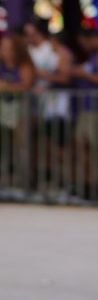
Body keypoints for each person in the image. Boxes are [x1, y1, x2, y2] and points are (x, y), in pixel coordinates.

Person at [22, 19, 74, 187]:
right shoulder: (26, 50)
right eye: (26, 34)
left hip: (55, 106)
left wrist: (43, 75)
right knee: (38, 143)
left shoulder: (54, 49)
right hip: (35, 105)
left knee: (59, 142)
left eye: (31, 34)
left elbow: (65, 75)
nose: (28, 37)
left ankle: (68, 178)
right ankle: (40, 176)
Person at [70, 23, 98, 200]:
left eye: (83, 43)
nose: (83, 47)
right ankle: (88, 183)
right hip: (87, 107)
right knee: (83, 144)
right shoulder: (95, 54)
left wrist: (83, 74)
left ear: (91, 39)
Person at [0, 32, 36, 188]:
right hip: (3, 110)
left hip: (20, 111)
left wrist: (7, 87)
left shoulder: (24, 65)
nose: (4, 50)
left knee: (22, 147)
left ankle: (25, 182)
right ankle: (6, 180)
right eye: (3, 47)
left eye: (8, 47)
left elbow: (27, 86)